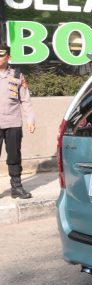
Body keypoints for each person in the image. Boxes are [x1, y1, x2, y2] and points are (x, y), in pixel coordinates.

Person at [0, 45, 36, 198]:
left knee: (14, 156)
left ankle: (16, 187)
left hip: (13, 123)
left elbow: (25, 100)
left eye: (1, 55)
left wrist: (30, 119)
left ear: (8, 57)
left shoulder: (17, 75)